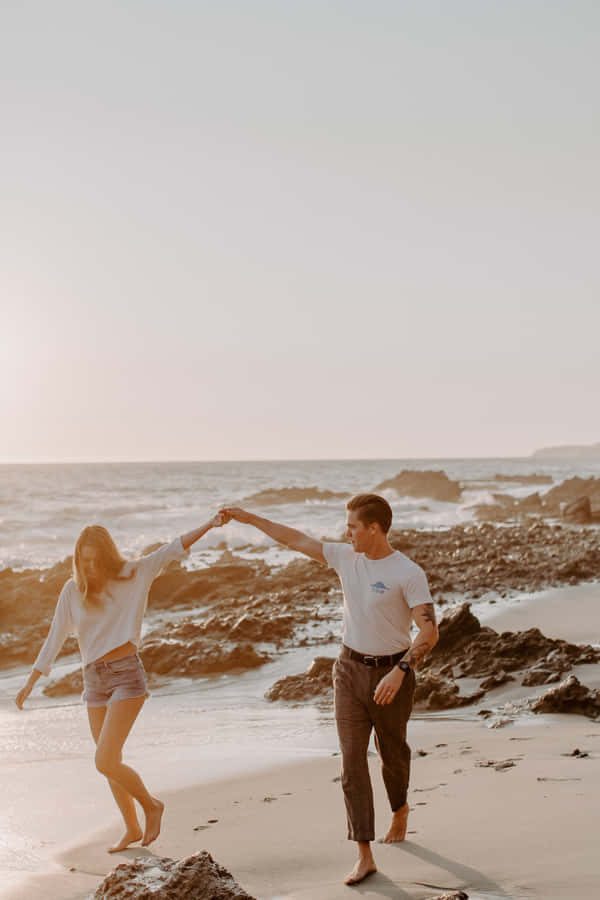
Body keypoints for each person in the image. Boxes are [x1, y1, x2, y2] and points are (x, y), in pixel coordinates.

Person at [221, 494, 439, 886]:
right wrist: (249, 518)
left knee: (393, 753)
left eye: (353, 526)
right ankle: (364, 853)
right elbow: (295, 539)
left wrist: (401, 671)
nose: (347, 532)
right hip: (349, 671)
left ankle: (400, 807)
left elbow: (429, 630)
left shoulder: (407, 572)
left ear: (374, 528)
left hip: (393, 675)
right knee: (351, 761)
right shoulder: (344, 557)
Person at [15, 513, 227, 852]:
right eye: (84, 562)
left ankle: (151, 805)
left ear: (108, 556)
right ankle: (130, 829)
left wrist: (211, 524)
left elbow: (172, 549)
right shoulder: (73, 590)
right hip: (93, 680)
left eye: (97, 560)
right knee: (109, 761)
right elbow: (55, 636)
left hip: (126, 674)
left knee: (105, 759)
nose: (91, 568)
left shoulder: (133, 574)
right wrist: (32, 680)